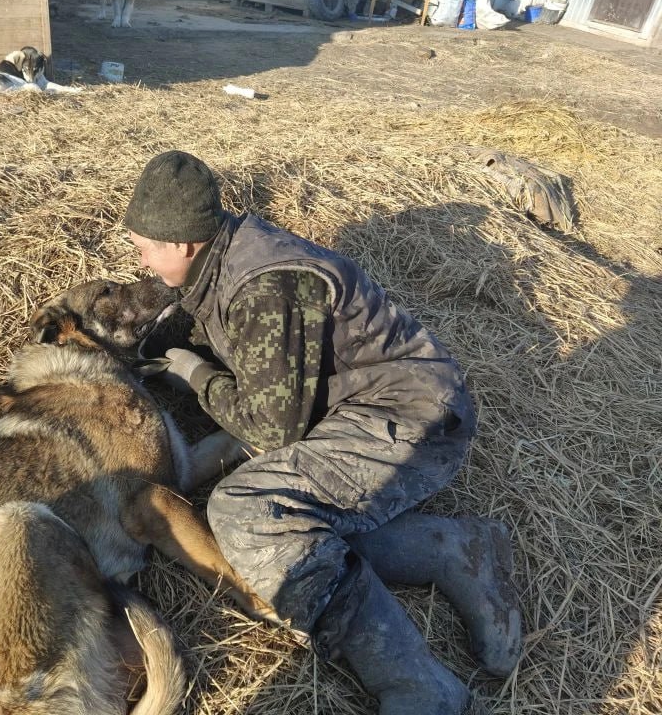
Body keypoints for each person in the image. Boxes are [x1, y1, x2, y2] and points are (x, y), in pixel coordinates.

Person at [124, 150, 522, 715]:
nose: (140, 262)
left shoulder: (264, 285)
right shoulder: (224, 258)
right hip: (371, 408)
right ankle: (449, 548)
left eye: (143, 247)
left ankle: (414, 680)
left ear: (181, 243)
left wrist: (195, 374)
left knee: (250, 512)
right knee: (294, 528)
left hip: (413, 419)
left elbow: (271, 426)